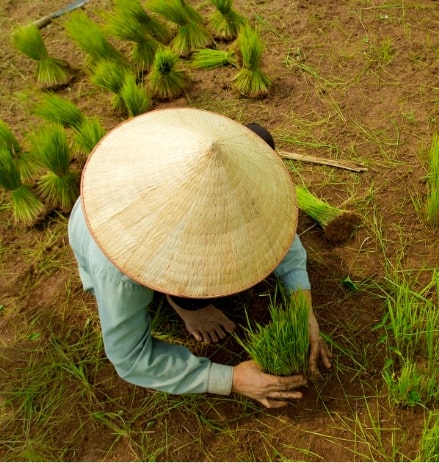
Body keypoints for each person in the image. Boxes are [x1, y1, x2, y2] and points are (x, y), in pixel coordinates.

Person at [68, 108, 331, 409]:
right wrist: (230, 378)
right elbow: (130, 357)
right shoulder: (118, 271)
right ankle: (181, 302)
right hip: (109, 235)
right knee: (181, 296)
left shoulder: (216, 155)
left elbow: (275, 231)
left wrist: (302, 304)